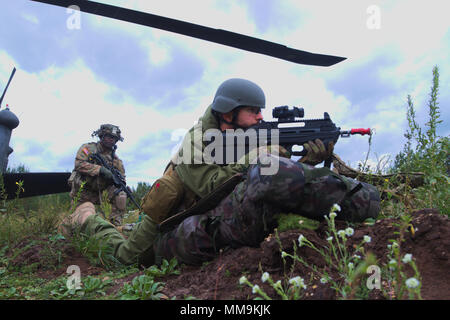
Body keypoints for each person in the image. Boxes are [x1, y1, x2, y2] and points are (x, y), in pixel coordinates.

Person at [59, 79, 380, 267]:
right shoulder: (196, 141)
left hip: (204, 213)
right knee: (125, 258)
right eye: (252, 112)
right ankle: (86, 218)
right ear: (228, 112)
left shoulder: (244, 135)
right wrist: (257, 157)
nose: (258, 118)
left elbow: (265, 178)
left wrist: (304, 161)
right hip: (168, 213)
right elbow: (214, 186)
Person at [67, 124, 127, 226]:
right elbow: (79, 164)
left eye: (114, 138)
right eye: (109, 137)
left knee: (121, 194)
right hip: (83, 192)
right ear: (101, 136)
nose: (111, 140)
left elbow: (122, 177)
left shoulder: (116, 160)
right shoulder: (88, 149)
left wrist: (121, 184)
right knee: (78, 222)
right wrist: (100, 169)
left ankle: (117, 226)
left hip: (101, 193)